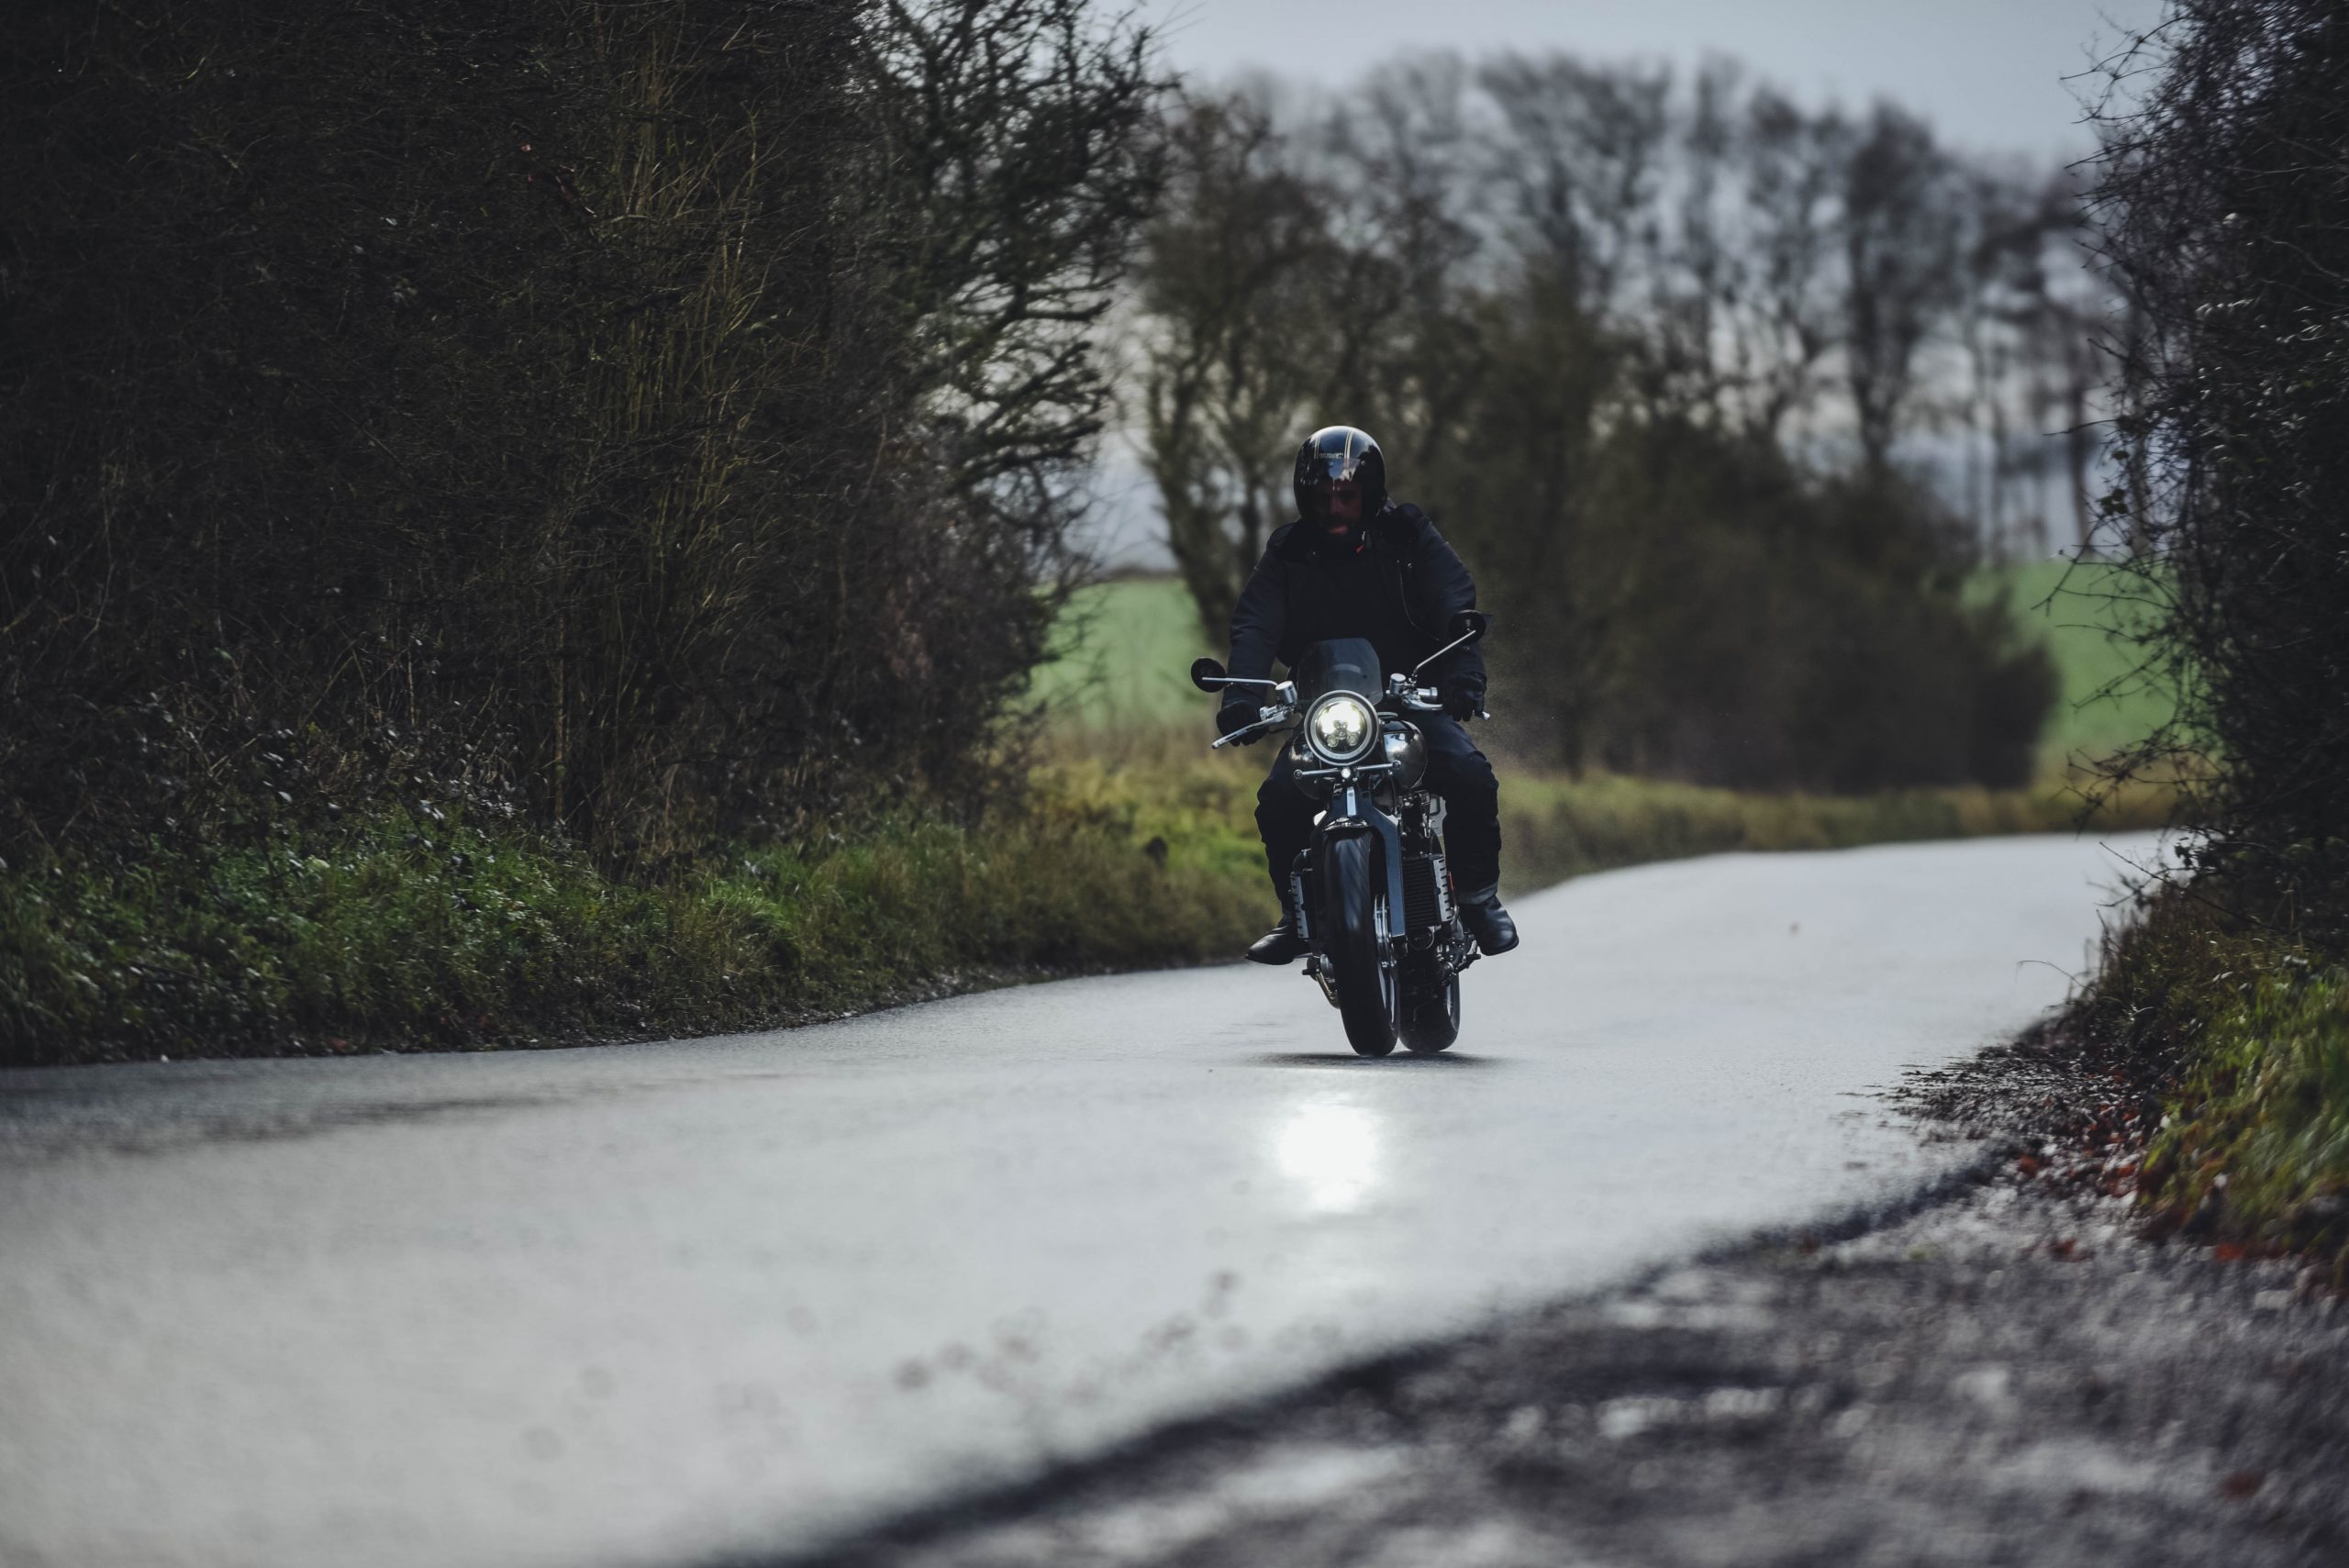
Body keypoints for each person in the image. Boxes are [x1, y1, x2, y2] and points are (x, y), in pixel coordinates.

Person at [1218, 425, 1520, 964]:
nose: (1334, 506)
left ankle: (1477, 898)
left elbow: (1455, 603)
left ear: (1370, 494)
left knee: (1471, 775)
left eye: (1346, 495)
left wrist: (1463, 677)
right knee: (1280, 799)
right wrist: (1241, 694)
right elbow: (1255, 625)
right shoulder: (1288, 552)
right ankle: (1297, 914)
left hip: (1408, 700)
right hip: (1324, 711)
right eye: (1322, 495)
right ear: (1304, 496)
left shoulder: (1406, 536)